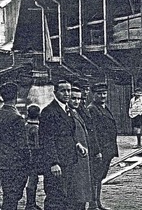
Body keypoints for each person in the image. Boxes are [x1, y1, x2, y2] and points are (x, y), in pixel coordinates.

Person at [40, 80, 83, 209]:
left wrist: (77, 144)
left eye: (68, 90)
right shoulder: (49, 111)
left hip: (69, 159)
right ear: (55, 93)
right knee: (55, 196)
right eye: (63, 91)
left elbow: (67, 133)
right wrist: (53, 163)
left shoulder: (67, 109)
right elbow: (47, 139)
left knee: (67, 195)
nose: (67, 94)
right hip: (57, 162)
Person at [0, 82, 29, 210]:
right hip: (15, 163)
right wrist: (28, 162)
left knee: (8, 195)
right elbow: (22, 145)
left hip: (0, 160)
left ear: (2, 97)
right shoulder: (17, 117)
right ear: (16, 97)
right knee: (13, 197)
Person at [88, 82, 116, 210]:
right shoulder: (92, 109)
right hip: (100, 149)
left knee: (100, 177)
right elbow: (93, 132)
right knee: (95, 176)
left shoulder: (104, 107)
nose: (102, 96)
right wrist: (96, 150)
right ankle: (93, 204)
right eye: (99, 94)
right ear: (93, 95)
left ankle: (98, 203)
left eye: (104, 93)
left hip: (107, 148)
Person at [68, 86, 93, 209]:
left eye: (79, 99)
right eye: (73, 98)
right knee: (76, 193)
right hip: (75, 158)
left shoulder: (77, 111)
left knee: (82, 192)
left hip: (82, 157)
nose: (77, 101)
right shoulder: (67, 114)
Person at [25, 104, 44, 210]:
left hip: (27, 155)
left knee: (31, 179)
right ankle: (30, 204)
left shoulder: (26, 125)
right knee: (33, 179)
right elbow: (37, 145)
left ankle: (31, 203)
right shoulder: (36, 128)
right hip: (34, 156)